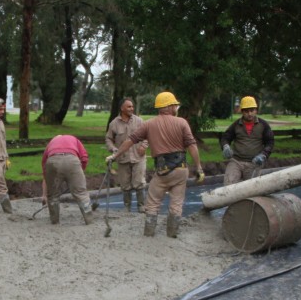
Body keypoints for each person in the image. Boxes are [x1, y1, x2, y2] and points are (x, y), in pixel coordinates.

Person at [106, 91, 203, 238]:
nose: (176, 108)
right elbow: (192, 146)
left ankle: (149, 233)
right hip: (181, 170)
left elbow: (129, 141)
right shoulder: (182, 122)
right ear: (169, 106)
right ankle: (172, 234)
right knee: (176, 203)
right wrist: (199, 168)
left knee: (152, 202)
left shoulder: (149, 124)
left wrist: (115, 155)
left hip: (162, 171)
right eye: (175, 105)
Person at [220, 96, 275, 185]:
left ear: (256, 110)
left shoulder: (263, 125)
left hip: (254, 163)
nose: (249, 114)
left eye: (252, 110)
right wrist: (225, 146)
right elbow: (225, 138)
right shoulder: (236, 125)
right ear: (242, 111)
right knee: (228, 185)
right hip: (236, 161)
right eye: (246, 111)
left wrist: (264, 155)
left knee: (251, 189)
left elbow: (270, 142)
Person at [105, 98, 147, 212]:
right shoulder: (114, 123)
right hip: (123, 158)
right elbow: (108, 139)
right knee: (125, 184)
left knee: (139, 182)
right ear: (122, 108)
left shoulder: (139, 121)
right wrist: (113, 149)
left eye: (132, 106)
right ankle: (127, 207)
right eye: (129, 106)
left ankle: (141, 206)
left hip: (138, 157)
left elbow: (147, 135)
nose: (131, 108)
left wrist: (144, 145)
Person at [41, 134, 93, 225]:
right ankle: (89, 220)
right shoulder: (74, 139)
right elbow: (84, 157)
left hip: (53, 161)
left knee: (53, 196)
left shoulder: (51, 143)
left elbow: (44, 166)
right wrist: (79, 172)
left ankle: (54, 221)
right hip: (72, 160)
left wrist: (45, 193)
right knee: (81, 193)